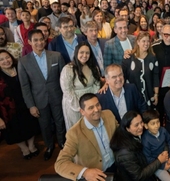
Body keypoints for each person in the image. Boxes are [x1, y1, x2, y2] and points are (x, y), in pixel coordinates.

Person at [18, 29, 66, 160]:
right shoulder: (23, 62)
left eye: (41, 39)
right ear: (29, 42)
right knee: (44, 125)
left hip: (57, 97)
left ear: (45, 40)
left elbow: (64, 78)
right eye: (35, 40)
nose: (39, 42)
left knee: (60, 122)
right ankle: (49, 146)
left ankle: (62, 143)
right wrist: (31, 105)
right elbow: (25, 86)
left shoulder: (56, 56)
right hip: (39, 100)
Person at [55, 93, 118, 180]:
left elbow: (120, 133)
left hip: (116, 165)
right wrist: (85, 172)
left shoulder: (108, 115)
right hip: (96, 174)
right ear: (82, 112)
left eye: (97, 105)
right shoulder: (74, 133)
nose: (96, 110)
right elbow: (60, 163)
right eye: (91, 108)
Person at [0, 50, 39, 159]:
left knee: (30, 125)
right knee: (15, 130)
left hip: (26, 104)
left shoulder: (20, 67)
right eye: (1, 60)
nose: (6, 61)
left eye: (7, 57)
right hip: (8, 110)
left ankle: (31, 146)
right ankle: (24, 149)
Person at [60, 42, 102, 130]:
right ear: (76, 53)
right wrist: (80, 107)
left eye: (87, 53)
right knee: (78, 129)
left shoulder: (93, 67)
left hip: (90, 102)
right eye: (81, 52)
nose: (84, 55)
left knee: (91, 128)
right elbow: (67, 90)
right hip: (74, 104)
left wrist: (90, 102)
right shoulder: (68, 69)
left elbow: (96, 85)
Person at [141, 110, 170, 181]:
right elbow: (148, 159)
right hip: (156, 164)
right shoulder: (145, 140)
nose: (156, 126)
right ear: (146, 126)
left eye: (158, 122)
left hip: (167, 158)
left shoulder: (163, 130)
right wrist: (163, 166)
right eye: (153, 123)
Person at [122, 31, 159, 108]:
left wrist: (156, 94)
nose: (146, 44)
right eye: (144, 41)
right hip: (133, 97)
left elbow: (156, 77)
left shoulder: (152, 58)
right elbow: (123, 77)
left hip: (149, 96)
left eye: (148, 41)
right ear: (138, 42)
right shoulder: (129, 58)